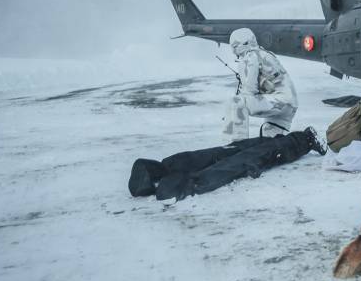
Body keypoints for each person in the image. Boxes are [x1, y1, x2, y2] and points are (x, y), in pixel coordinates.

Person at [128, 127, 327, 201]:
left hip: (184, 176)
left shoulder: (173, 171)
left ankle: (303, 139)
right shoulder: (169, 165)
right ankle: (302, 139)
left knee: (242, 156)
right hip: (180, 172)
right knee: (236, 153)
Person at [223, 28, 298, 139]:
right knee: (271, 139)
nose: (235, 52)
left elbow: (249, 91)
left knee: (236, 102)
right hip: (290, 104)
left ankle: (235, 145)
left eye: (234, 47)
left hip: (278, 102)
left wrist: (233, 114)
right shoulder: (264, 54)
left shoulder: (249, 58)